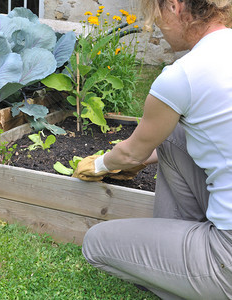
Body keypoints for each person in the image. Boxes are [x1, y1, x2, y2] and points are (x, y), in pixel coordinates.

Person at [73, 0, 232, 298]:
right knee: (172, 138)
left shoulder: (182, 75)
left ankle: (192, 278)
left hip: (229, 256)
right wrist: (141, 161)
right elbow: (153, 150)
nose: (152, 25)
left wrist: (98, 165)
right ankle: (181, 249)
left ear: (174, 6)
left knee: (96, 244)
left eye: (153, 15)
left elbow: (131, 153)